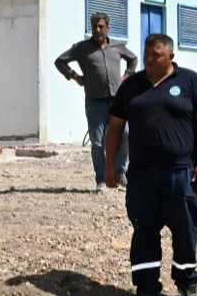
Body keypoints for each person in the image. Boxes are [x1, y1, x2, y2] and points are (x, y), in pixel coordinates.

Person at [104, 33, 197, 296]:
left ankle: (187, 283)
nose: (150, 59)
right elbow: (115, 126)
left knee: (185, 230)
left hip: (181, 173)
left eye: (157, 55)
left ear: (171, 56)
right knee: (143, 231)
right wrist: (110, 164)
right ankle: (147, 289)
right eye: (147, 54)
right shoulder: (131, 87)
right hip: (141, 174)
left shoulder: (190, 82)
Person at [54, 13, 138, 190]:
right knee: (98, 142)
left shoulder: (117, 46)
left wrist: (126, 76)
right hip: (95, 102)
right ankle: (101, 179)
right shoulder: (82, 48)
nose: (97, 30)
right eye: (94, 27)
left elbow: (133, 59)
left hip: (117, 99)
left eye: (101, 26)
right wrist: (75, 77)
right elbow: (60, 62)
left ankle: (121, 172)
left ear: (108, 28)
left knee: (125, 134)